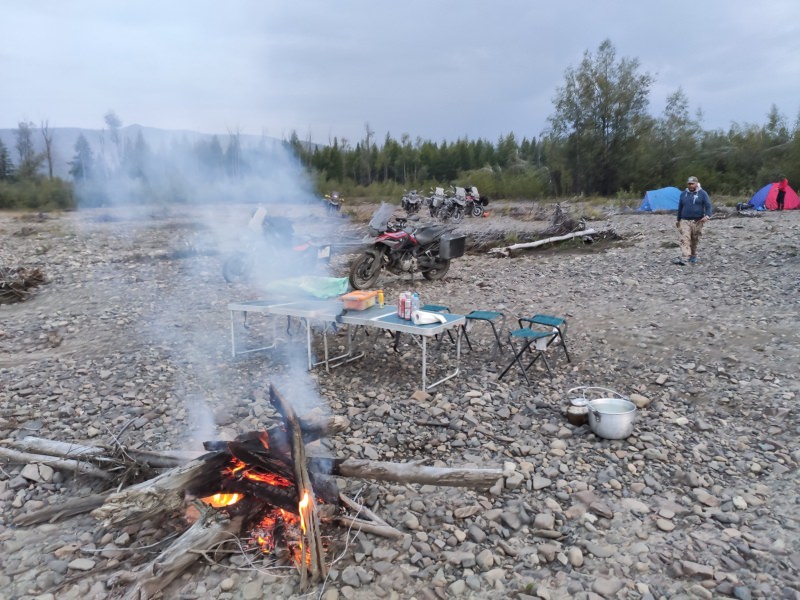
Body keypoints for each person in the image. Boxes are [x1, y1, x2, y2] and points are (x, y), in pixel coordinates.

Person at [674, 176, 712, 266]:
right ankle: (685, 257)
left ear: (696, 183)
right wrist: (678, 219)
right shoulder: (683, 194)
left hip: (697, 221)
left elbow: (708, 206)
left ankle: (693, 255)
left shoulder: (702, 193)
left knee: (695, 239)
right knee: (685, 238)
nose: (690, 185)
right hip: (685, 220)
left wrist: (707, 216)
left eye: (692, 184)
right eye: (689, 184)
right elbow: (680, 207)